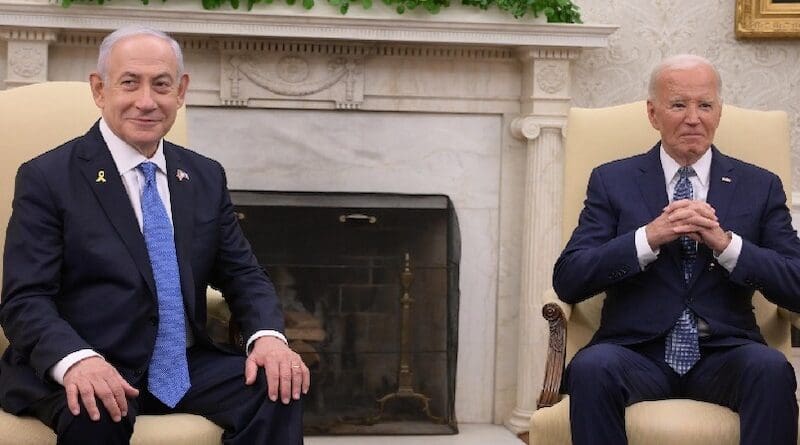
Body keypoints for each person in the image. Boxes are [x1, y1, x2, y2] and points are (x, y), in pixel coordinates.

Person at [0, 26, 309, 444]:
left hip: (181, 364)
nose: (146, 101)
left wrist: (268, 338)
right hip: (85, 359)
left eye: (161, 85)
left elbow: (244, 275)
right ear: (100, 89)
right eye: (130, 83)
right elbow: (25, 299)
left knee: (277, 388)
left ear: (180, 92)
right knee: (97, 406)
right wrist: (76, 361)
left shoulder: (203, 176)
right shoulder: (47, 177)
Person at [553, 54, 800, 445]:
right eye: (679, 105)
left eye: (705, 105)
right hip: (635, 353)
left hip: (725, 354)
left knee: (770, 367)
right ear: (653, 113)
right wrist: (648, 237)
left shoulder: (760, 185)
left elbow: (797, 285)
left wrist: (727, 245)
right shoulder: (612, 180)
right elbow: (570, 278)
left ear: (718, 113)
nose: (693, 118)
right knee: (591, 367)